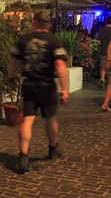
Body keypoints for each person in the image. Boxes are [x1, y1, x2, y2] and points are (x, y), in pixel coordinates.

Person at [8, 12, 69, 173]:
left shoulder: (24, 40)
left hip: (28, 83)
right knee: (50, 118)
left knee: (27, 119)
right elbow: (60, 66)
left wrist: (11, 78)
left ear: (34, 22)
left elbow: (13, 60)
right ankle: (52, 148)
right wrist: (64, 89)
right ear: (48, 24)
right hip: (47, 85)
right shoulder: (54, 41)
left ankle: (23, 156)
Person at [98, 17, 111, 88]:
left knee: (103, 66)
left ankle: (102, 79)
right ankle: (109, 83)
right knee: (110, 66)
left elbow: (98, 38)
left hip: (103, 49)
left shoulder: (101, 30)